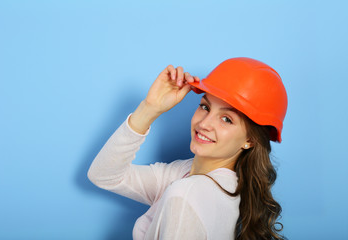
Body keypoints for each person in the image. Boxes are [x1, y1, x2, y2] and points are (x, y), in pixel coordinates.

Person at [87, 57, 288, 240]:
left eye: (226, 119)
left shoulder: (188, 192)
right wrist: (150, 108)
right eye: (205, 107)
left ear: (250, 140)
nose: (205, 124)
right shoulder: (188, 176)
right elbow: (105, 175)